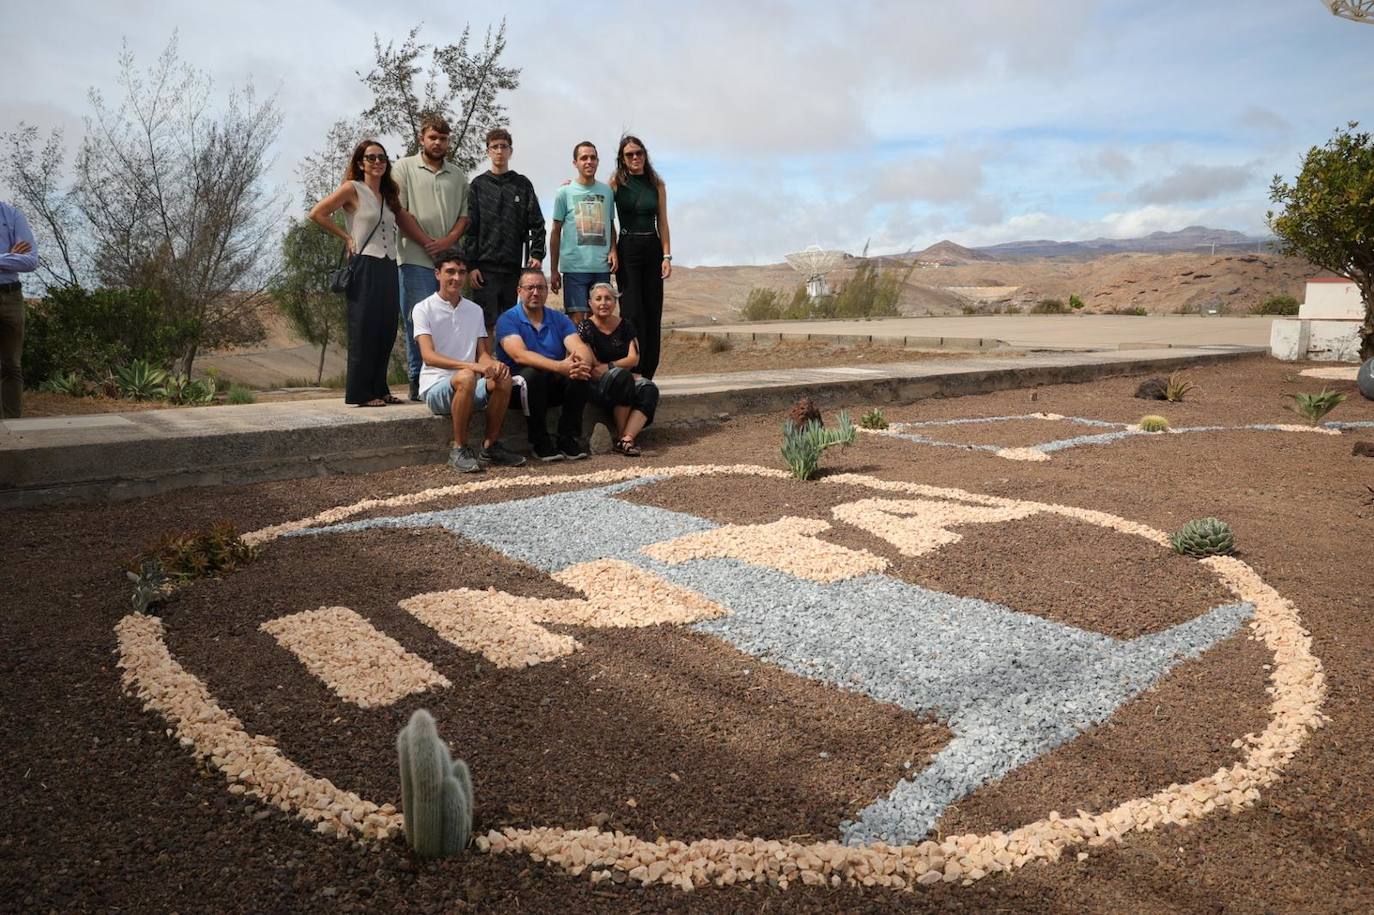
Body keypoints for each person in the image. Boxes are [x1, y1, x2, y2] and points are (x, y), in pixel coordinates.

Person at [310, 139, 435, 407]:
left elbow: (403, 220)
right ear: (360, 163)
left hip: (388, 264)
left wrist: (431, 243)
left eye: (381, 157)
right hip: (364, 263)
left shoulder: (389, 193)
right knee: (364, 328)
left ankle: (380, 387)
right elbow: (318, 213)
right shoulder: (351, 189)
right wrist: (346, 237)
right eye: (371, 158)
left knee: (386, 328)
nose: (377, 162)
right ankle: (361, 392)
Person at [412, 252, 525, 474]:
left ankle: (490, 446)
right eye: (450, 272)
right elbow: (428, 356)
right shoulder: (423, 308)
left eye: (461, 272)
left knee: (504, 378)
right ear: (438, 274)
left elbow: (481, 354)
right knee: (465, 377)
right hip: (436, 386)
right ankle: (459, 449)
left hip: (469, 383)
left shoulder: (474, 310)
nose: (456, 278)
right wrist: (473, 367)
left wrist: (491, 365)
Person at [393, 115, 471, 402]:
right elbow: (400, 212)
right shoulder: (403, 168)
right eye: (433, 138)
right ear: (421, 138)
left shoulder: (458, 175)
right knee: (418, 320)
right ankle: (417, 378)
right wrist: (427, 242)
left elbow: (464, 217)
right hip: (416, 257)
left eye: (443, 138)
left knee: (450, 321)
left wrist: (447, 244)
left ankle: (447, 378)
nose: (438, 143)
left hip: (450, 259)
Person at [494, 268, 595, 461]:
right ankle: (539, 440)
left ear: (547, 291)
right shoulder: (508, 319)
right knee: (532, 374)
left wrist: (581, 362)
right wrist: (559, 367)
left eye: (541, 288)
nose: (535, 293)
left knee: (579, 373)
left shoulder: (559, 319)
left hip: (549, 386)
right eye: (530, 287)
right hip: (518, 388)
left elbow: (579, 348)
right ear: (519, 291)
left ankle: (567, 438)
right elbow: (519, 356)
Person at [466, 128, 545, 335]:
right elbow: (471, 228)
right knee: (485, 323)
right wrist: (471, 265)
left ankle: (508, 365)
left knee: (510, 322)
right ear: (488, 151)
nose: (499, 151)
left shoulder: (522, 184)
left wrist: (537, 254)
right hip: (484, 268)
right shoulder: (478, 185)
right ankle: (485, 366)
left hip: (512, 267)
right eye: (495, 147)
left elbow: (537, 222)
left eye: (504, 146)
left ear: (511, 151)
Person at [609, 135, 671, 379]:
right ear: (622, 160)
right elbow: (607, 220)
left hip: (652, 246)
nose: (635, 158)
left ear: (645, 155)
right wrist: (613, 249)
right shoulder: (615, 184)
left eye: (639, 153)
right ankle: (633, 368)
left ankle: (649, 372)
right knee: (632, 311)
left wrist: (666, 255)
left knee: (652, 310)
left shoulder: (656, 183)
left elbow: (663, 222)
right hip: (628, 248)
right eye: (629, 155)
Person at [578, 282, 660, 456]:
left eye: (608, 298)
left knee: (648, 388)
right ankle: (623, 436)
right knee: (623, 376)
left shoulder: (625, 325)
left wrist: (609, 366)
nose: (603, 303)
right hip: (597, 385)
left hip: (622, 380)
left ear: (615, 302)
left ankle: (626, 439)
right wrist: (620, 368)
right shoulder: (585, 327)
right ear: (590, 303)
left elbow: (634, 358)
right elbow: (592, 366)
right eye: (598, 299)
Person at [549, 142, 617, 318]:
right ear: (575, 163)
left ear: (598, 161)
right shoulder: (564, 192)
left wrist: (613, 250)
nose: (589, 161)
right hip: (574, 269)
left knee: (601, 321)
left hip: (601, 268)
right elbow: (556, 231)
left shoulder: (607, 191)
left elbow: (611, 225)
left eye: (593, 157)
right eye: (584, 158)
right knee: (577, 322)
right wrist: (554, 270)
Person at [0, 202, 38, 419]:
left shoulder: (12, 215)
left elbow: (31, 261)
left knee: (12, 365)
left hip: (12, 296)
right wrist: (9, 257)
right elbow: (19, 261)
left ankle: (14, 427)